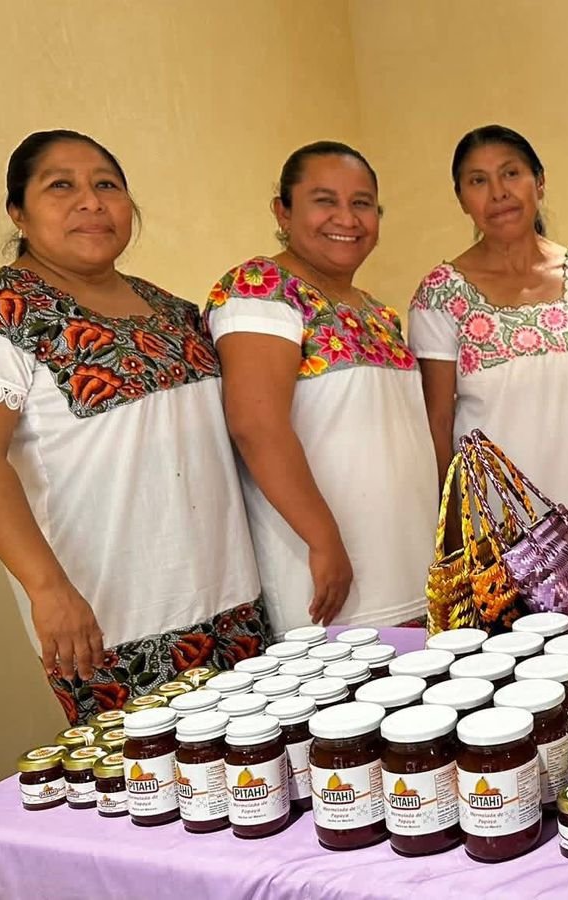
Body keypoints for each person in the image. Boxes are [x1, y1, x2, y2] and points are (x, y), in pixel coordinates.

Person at [0, 130, 265, 724]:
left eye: (106, 185)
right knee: (151, 794)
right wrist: (48, 590)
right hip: (111, 622)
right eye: (61, 186)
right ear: (19, 212)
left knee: (254, 785)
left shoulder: (174, 311)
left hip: (232, 601)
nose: (91, 201)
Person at [207, 141, 435, 635]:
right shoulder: (260, 287)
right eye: (324, 200)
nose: (346, 218)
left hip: (407, 566)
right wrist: (324, 539)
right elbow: (255, 425)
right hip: (327, 575)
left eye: (361, 203)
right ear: (283, 211)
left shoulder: (378, 312)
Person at [410, 126, 568, 570]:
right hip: (496, 525)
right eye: (478, 181)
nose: (498, 193)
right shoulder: (441, 293)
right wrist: (453, 526)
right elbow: (438, 420)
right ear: (462, 199)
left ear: (539, 182)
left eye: (511, 173)